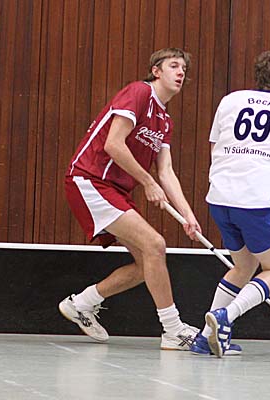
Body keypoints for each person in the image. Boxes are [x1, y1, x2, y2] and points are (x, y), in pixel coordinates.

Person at [59, 48, 201, 350]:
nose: (180, 72)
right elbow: (113, 144)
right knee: (155, 245)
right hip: (90, 179)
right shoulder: (139, 92)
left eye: (184, 69)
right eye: (173, 66)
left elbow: (166, 171)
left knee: (147, 263)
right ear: (156, 71)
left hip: (115, 189)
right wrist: (147, 182)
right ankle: (173, 330)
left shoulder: (165, 121)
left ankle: (81, 303)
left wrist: (188, 215)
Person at [190, 50, 270, 357]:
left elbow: (216, 148)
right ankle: (226, 317)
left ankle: (205, 338)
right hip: (256, 202)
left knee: (244, 266)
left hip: (219, 198)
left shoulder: (230, 101)